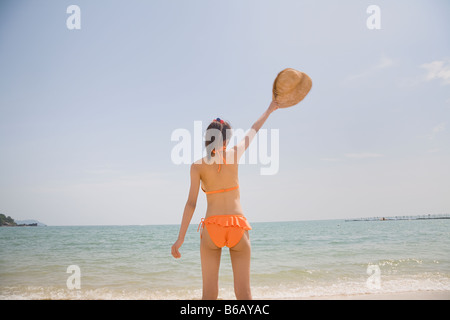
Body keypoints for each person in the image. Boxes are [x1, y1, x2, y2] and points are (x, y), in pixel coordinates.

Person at [171, 100, 280, 300]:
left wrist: (181, 238)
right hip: (237, 225)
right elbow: (254, 129)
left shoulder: (197, 166)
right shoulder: (234, 153)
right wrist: (270, 108)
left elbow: (191, 203)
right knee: (244, 293)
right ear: (225, 140)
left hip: (212, 227)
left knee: (209, 294)